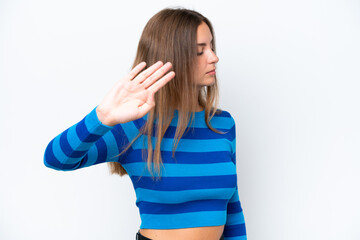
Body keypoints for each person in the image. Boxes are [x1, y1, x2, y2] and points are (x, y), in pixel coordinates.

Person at [44, 8, 247, 240]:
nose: (214, 57)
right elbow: (56, 159)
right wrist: (101, 117)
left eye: (211, 47)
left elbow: (232, 209)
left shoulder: (222, 124)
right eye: (200, 51)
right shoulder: (134, 126)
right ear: (172, 59)